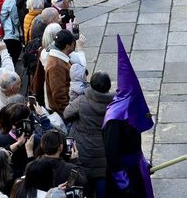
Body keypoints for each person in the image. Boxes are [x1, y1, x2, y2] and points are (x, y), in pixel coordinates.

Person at [102, 36, 154, 198]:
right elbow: (112, 154)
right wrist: (123, 183)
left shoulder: (130, 110)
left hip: (135, 167)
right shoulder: (114, 120)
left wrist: (142, 162)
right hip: (124, 176)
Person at [63, 71, 113, 198]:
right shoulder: (113, 104)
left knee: (82, 176)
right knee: (101, 175)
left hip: (82, 147)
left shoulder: (82, 100)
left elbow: (66, 114)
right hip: (103, 149)